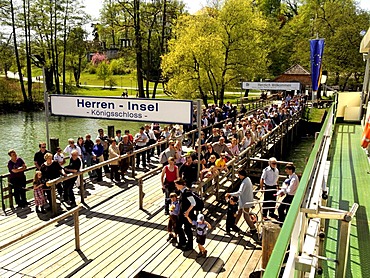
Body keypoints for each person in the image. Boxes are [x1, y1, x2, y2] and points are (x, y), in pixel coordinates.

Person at [225, 169, 257, 237]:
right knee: (239, 212)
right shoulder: (248, 179)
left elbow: (239, 192)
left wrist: (230, 194)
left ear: (242, 175)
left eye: (239, 175)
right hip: (245, 200)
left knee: (246, 216)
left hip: (246, 201)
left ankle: (253, 228)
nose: (238, 176)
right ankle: (234, 225)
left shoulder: (244, 182)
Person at [175, 178, 196, 251]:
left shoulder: (187, 192)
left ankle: (190, 245)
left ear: (180, 185)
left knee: (187, 229)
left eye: (176, 185)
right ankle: (182, 241)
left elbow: (193, 203)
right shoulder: (181, 192)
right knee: (177, 226)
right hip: (181, 213)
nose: (176, 186)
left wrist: (187, 212)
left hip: (187, 214)